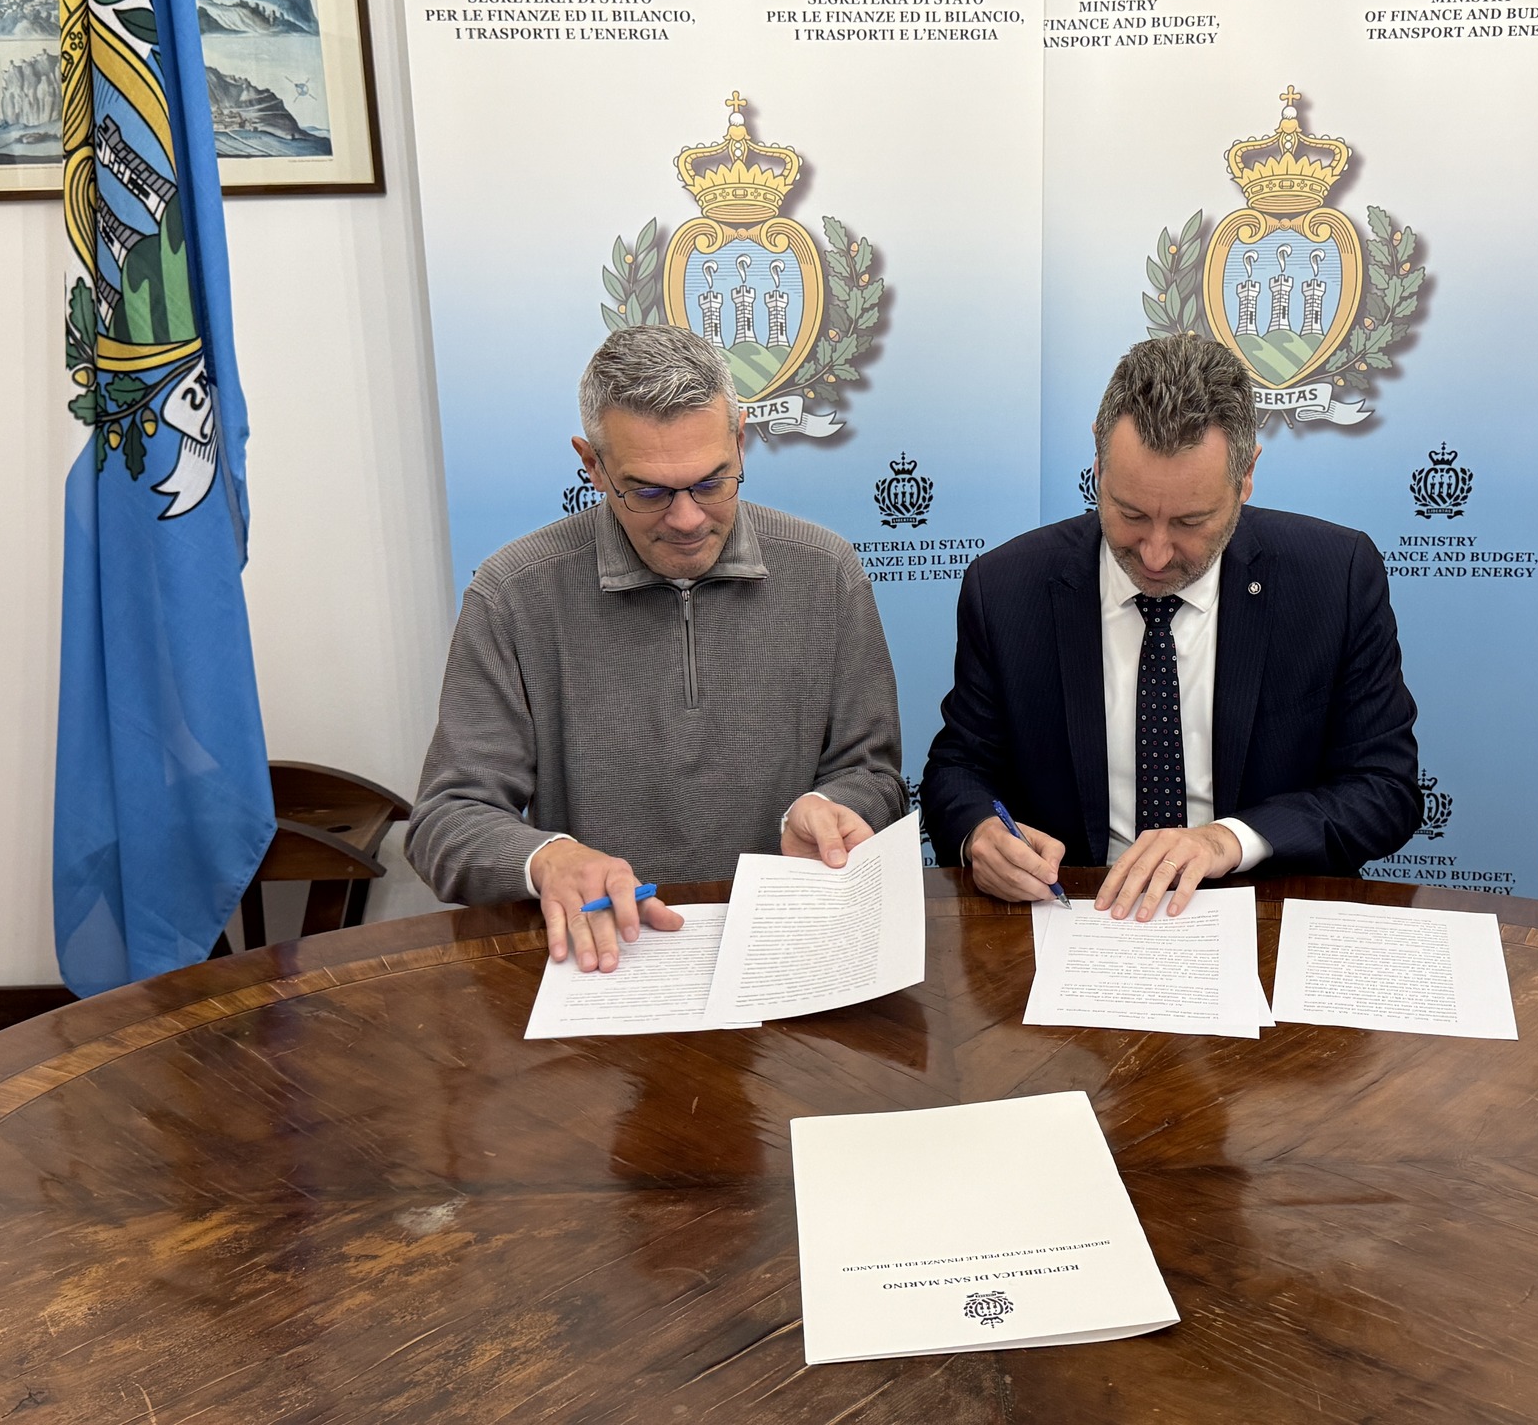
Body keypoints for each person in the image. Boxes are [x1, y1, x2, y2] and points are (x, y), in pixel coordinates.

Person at [408, 325, 906, 971]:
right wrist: (546, 858)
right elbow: (446, 818)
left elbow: (876, 776)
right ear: (591, 465)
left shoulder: (827, 573)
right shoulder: (514, 592)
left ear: (741, 440)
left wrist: (830, 807)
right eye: (648, 492)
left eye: (712, 483)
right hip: (607, 960)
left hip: (788, 952)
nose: (688, 518)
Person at [921, 334, 1419, 919]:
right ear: (1098, 463)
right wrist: (981, 834)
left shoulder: (1334, 578)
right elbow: (959, 770)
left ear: (1247, 476)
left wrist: (1229, 840)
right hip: (1078, 918)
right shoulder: (1007, 588)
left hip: (1266, 914)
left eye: (1190, 521)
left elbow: (1384, 788)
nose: (1155, 554)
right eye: (1130, 513)